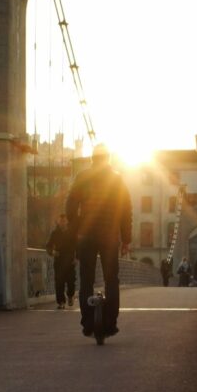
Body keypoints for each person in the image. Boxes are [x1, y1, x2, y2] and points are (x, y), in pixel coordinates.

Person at [65, 144, 132, 338]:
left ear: (93, 158)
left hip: (86, 236)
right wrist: (126, 239)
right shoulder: (117, 179)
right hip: (109, 236)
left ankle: (87, 323)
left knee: (86, 279)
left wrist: (76, 224)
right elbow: (126, 210)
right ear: (108, 159)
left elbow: (70, 204)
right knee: (112, 280)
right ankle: (110, 323)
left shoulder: (82, 177)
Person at [45, 213, 76, 309]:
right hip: (59, 260)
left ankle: (70, 295)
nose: (62, 222)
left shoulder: (71, 232)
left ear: (66, 221)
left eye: (64, 220)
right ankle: (61, 302)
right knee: (59, 282)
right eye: (61, 220)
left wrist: (77, 258)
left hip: (70, 261)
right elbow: (48, 246)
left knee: (71, 281)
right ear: (58, 221)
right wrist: (52, 252)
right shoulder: (54, 233)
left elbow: (77, 245)